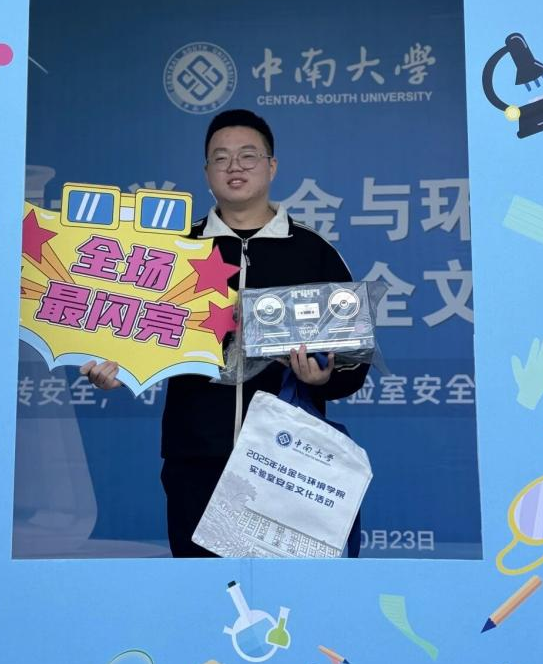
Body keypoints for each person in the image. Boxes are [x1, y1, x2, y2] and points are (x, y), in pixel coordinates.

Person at [82, 109, 367, 557]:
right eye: (221, 157)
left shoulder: (314, 253)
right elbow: (137, 337)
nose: (235, 166)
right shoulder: (176, 250)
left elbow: (353, 363)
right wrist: (119, 370)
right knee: (204, 592)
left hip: (287, 463)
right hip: (196, 458)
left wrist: (323, 378)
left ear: (272, 166)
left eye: (248, 156)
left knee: (286, 592)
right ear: (206, 172)